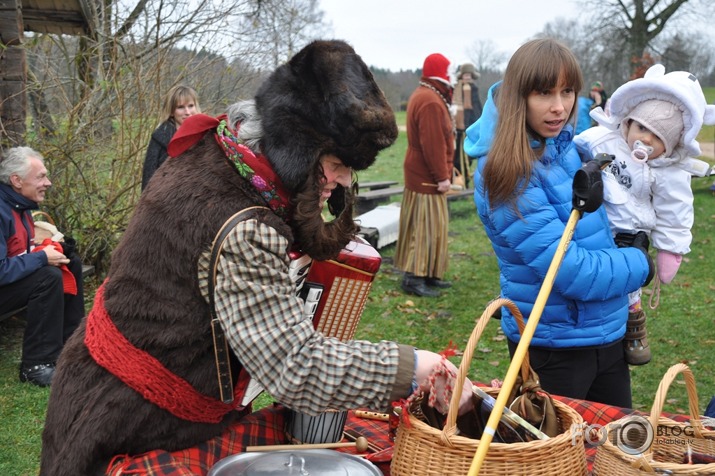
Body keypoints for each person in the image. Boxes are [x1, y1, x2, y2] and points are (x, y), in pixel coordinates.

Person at [40, 40, 472, 476]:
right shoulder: (241, 223)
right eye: (338, 163)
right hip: (125, 419)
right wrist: (415, 365)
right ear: (297, 148)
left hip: (120, 392)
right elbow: (294, 365)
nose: (343, 179)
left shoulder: (221, 153)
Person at [464, 38, 653, 408]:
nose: (559, 107)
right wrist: (639, 263)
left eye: (567, 91)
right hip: (554, 346)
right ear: (520, 97)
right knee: (554, 458)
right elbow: (568, 269)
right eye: (543, 93)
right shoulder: (505, 171)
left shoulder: (570, 150)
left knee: (614, 454)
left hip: (607, 335)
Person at [575, 64, 715, 366]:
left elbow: (675, 212)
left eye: (657, 136)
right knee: (582, 270)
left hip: (631, 233)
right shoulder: (604, 141)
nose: (646, 140)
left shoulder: (670, 172)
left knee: (630, 279)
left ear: (672, 143)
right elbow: (571, 150)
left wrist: (671, 249)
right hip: (594, 224)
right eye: (641, 128)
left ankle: (634, 319)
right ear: (628, 123)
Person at [0, 146, 84, 387]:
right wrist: (40, 258)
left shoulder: (20, 205)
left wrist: (53, 250)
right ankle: (35, 366)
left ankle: (71, 346)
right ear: (16, 180)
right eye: (40, 177)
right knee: (47, 276)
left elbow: (17, 252)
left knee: (70, 261)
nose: (47, 182)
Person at [394, 52, 455, 298]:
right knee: (424, 227)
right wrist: (442, 176)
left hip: (420, 172)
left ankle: (428, 273)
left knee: (433, 226)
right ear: (439, 72)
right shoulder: (430, 100)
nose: (451, 74)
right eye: (448, 69)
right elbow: (433, 144)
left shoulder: (426, 94)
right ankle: (413, 278)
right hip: (426, 175)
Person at [140, 84, 200, 190]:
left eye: (191, 106)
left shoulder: (206, 135)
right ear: (172, 111)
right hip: (168, 200)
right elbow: (148, 179)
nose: (187, 112)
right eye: (181, 107)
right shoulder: (160, 137)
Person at [453, 62, 483, 185]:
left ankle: (465, 178)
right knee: (458, 155)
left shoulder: (474, 89)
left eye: (469, 75)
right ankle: (459, 179)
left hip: (472, 125)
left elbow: (477, 108)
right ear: (461, 76)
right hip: (460, 127)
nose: (467, 77)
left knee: (469, 155)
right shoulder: (456, 89)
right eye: (465, 75)